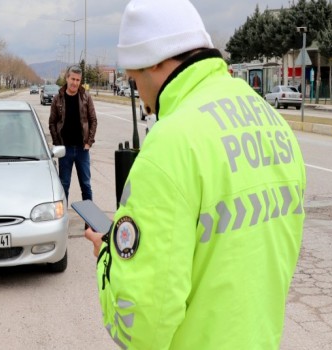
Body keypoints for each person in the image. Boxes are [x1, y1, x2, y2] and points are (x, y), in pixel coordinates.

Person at [83, 0, 306, 349]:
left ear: (155, 60)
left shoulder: (170, 144)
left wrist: (107, 263)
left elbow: (143, 324)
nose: (141, 97)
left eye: (134, 80)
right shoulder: (270, 120)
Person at [48, 65, 98, 204]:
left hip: (83, 149)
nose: (75, 83)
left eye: (78, 80)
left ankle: (89, 224)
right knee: (64, 186)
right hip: (65, 150)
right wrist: (58, 143)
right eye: (73, 79)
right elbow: (52, 122)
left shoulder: (86, 97)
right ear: (67, 78)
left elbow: (93, 120)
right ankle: (62, 220)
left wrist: (89, 142)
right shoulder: (58, 98)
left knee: (86, 186)